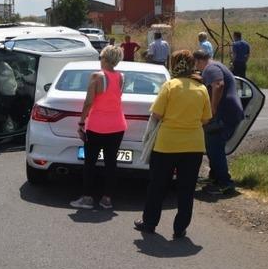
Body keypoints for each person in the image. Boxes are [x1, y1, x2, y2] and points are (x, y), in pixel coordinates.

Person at [135, 50, 212, 239]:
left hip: (166, 145)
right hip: (193, 146)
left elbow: (157, 114)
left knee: (157, 186)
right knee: (187, 189)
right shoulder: (201, 88)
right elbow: (206, 119)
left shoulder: (170, 86)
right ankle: (180, 228)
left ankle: (150, 223)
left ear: (175, 64)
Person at [70, 45, 126, 210]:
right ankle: (107, 199)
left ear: (105, 59)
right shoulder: (121, 77)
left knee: (90, 162)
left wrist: (81, 122)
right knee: (111, 163)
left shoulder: (97, 76)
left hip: (97, 126)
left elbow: (88, 102)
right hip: (117, 125)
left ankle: (87, 198)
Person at [193, 49, 244, 194]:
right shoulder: (216, 65)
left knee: (215, 147)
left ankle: (225, 183)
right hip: (229, 112)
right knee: (212, 145)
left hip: (224, 114)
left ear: (199, 61)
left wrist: (213, 108)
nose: (196, 67)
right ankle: (215, 178)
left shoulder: (210, 68)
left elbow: (218, 85)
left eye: (195, 63)